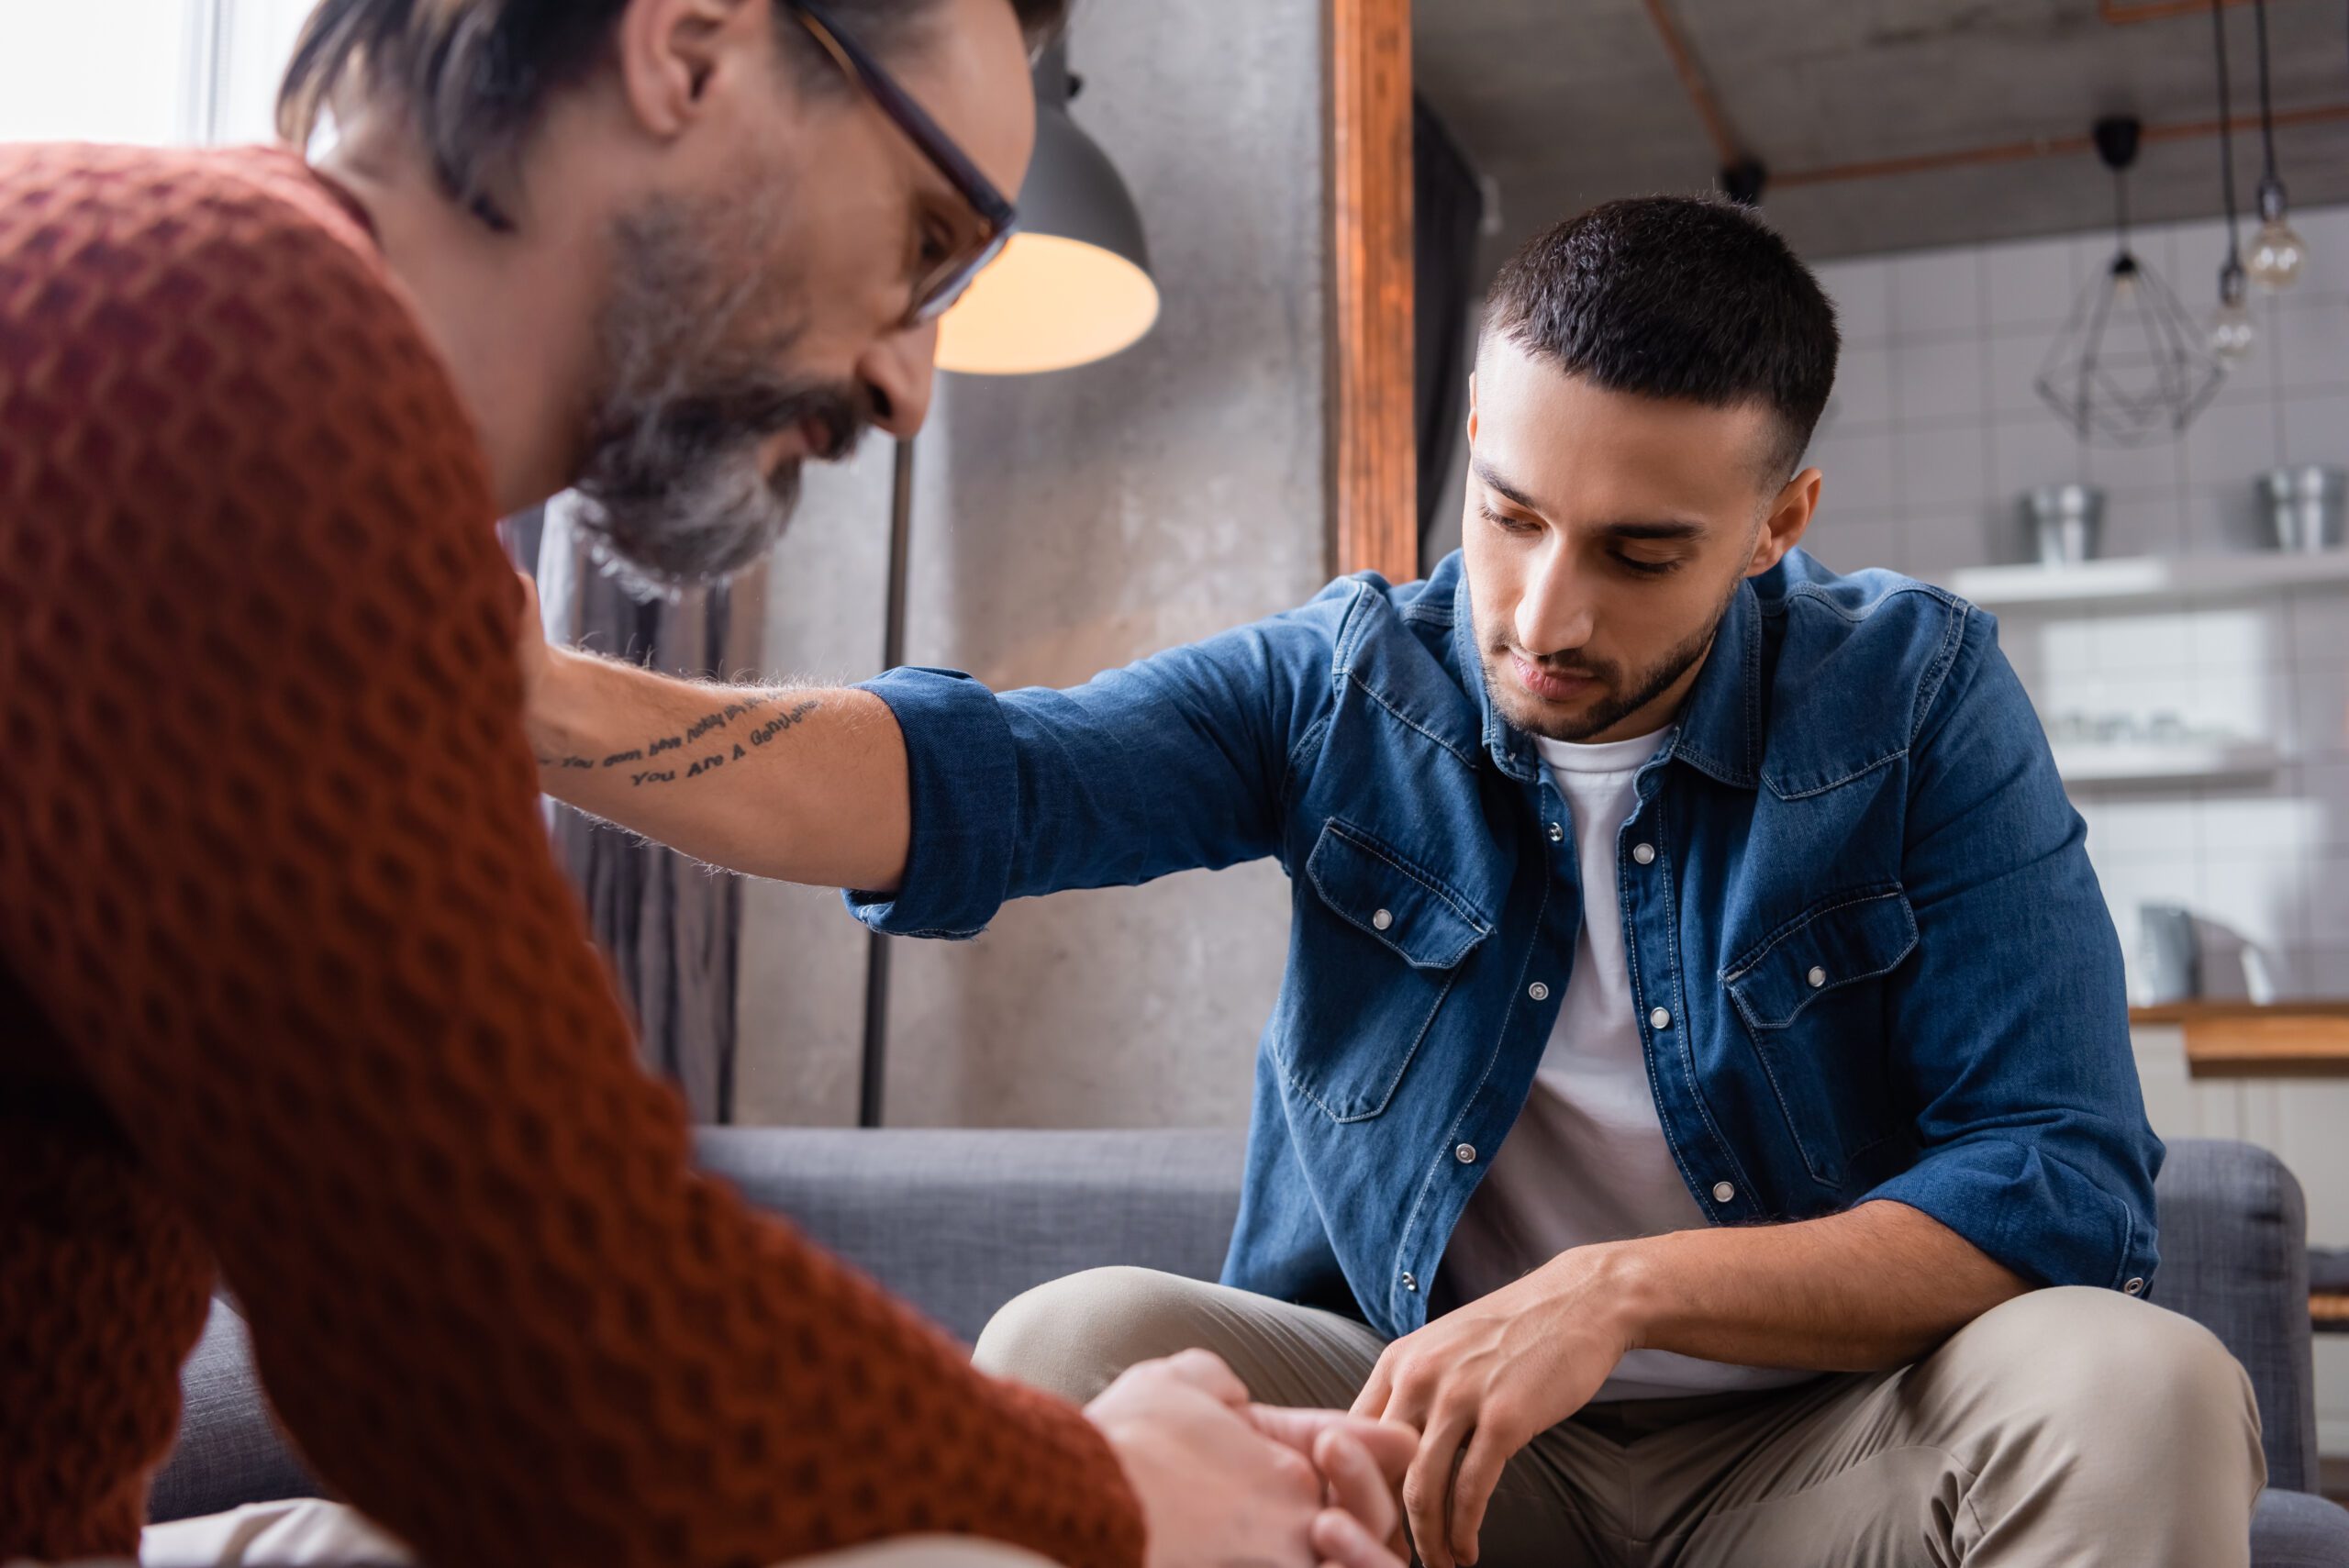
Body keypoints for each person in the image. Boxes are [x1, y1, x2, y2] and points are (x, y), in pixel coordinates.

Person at [519, 195, 2270, 1568]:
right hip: (1425, 1456)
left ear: (1778, 521)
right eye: (1507, 513)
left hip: (1830, 1449)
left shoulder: (1916, 700)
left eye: (1642, 551)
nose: (1545, 613)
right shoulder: (1358, 683)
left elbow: (2057, 1184)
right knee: (1077, 1334)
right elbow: (981, 783)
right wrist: (541, 701)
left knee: (2149, 1383)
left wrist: (1619, 1291)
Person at [0, 2, 1422, 1565]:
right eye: (926, 243)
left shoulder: (249, 358)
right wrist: (1106, 1486)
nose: (911, 386)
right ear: (688, 48)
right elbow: (521, 1334)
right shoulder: (220, 342)